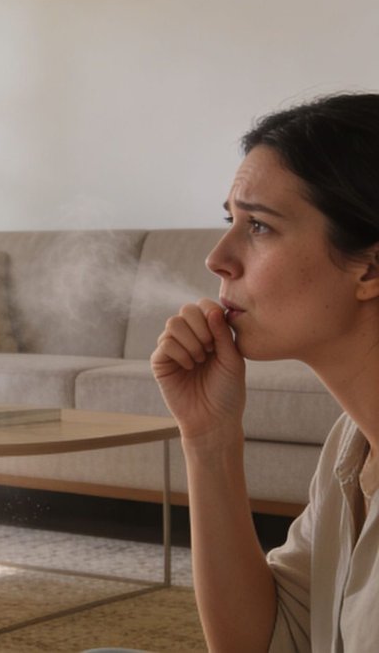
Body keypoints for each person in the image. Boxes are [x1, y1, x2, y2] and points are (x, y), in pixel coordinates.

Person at [151, 92, 379, 652]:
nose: (217, 258)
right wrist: (209, 440)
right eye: (232, 219)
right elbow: (269, 643)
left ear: (370, 268)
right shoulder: (351, 446)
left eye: (258, 227)